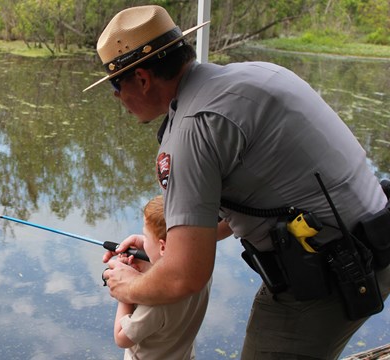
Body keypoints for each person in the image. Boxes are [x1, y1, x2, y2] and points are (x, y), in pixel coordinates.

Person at [87, 4, 390, 359]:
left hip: (328, 278)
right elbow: (259, 196)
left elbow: (186, 276)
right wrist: (163, 241)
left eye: (115, 84)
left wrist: (131, 286)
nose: (116, 98)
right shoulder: (255, 75)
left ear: (142, 78)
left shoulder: (193, 130)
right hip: (372, 245)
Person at [109, 195, 210, 360]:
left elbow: (122, 337)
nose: (143, 241)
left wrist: (125, 292)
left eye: (145, 237)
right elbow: (174, 266)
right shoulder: (202, 273)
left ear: (162, 246)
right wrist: (145, 269)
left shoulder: (156, 300)